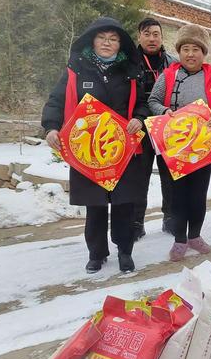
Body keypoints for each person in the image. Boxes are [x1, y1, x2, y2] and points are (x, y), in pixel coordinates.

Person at [42, 17, 148, 274]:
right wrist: (51, 127)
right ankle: (96, 253)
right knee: (96, 204)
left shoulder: (131, 72)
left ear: (120, 45)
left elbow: (143, 103)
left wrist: (138, 119)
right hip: (88, 149)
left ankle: (125, 250)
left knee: (124, 203)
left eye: (113, 39)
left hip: (120, 149)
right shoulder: (76, 70)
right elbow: (56, 100)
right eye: (102, 38)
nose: (107, 43)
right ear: (92, 40)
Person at [148, 24, 211, 261]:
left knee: (198, 194)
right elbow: (152, 100)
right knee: (178, 196)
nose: (190, 54)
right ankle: (180, 239)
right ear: (179, 52)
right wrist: (164, 111)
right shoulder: (168, 75)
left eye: (196, 49)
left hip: (202, 148)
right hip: (175, 148)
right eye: (185, 49)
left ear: (204, 53)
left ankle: (195, 235)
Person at [134, 18, 177, 241]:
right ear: (139, 36)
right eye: (147, 34)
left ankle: (170, 219)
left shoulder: (172, 63)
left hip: (165, 128)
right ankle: (136, 224)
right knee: (138, 178)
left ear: (162, 37)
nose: (152, 38)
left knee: (169, 177)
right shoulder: (129, 62)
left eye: (156, 34)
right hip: (139, 128)